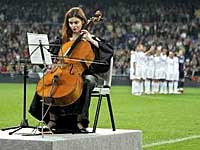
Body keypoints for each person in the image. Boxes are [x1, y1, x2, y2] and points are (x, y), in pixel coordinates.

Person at [29, 7, 113, 133]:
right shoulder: (63, 39)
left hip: (85, 74)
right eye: (71, 23)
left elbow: (108, 51)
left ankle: (80, 121)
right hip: (64, 71)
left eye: (76, 23)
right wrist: (50, 64)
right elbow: (47, 54)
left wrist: (90, 40)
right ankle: (52, 119)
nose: (73, 26)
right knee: (48, 80)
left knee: (87, 81)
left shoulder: (90, 39)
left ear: (83, 22)